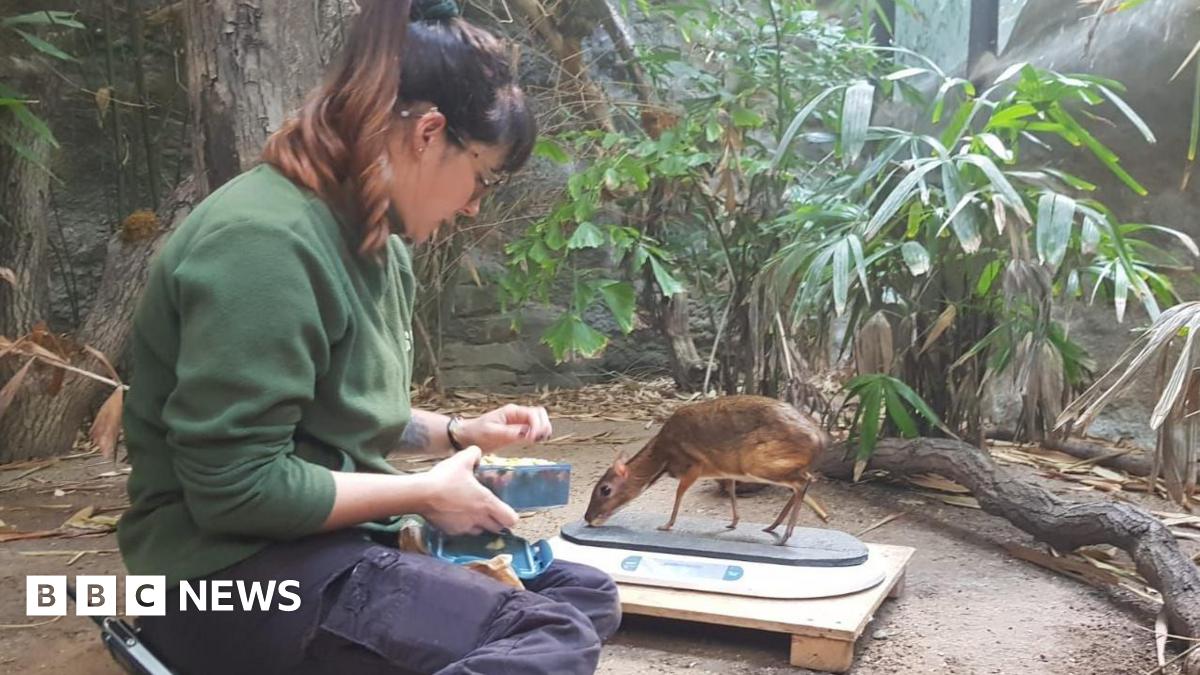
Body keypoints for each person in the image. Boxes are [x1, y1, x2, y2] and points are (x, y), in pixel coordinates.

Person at [115, 1, 621, 673]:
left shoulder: (373, 239)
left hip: (324, 546)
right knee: (550, 638)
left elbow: (336, 410)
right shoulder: (262, 243)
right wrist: (421, 493)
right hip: (225, 582)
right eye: (482, 177)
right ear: (429, 133)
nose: (474, 205)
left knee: (585, 594)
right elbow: (237, 487)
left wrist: (458, 433)